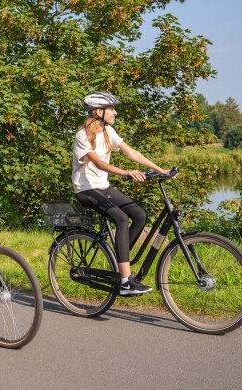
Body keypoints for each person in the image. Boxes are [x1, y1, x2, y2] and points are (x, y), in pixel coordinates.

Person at [72, 92, 174, 296]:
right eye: (112, 109)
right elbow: (98, 162)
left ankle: (120, 259)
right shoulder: (83, 135)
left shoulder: (109, 131)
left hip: (103, 187)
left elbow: (131, 152)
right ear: (99, 111)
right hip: (86, 189)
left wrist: (161, 169)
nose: (115, 113)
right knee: (120, 218)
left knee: (140, 215)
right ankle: (126, 281)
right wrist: (126, 172)